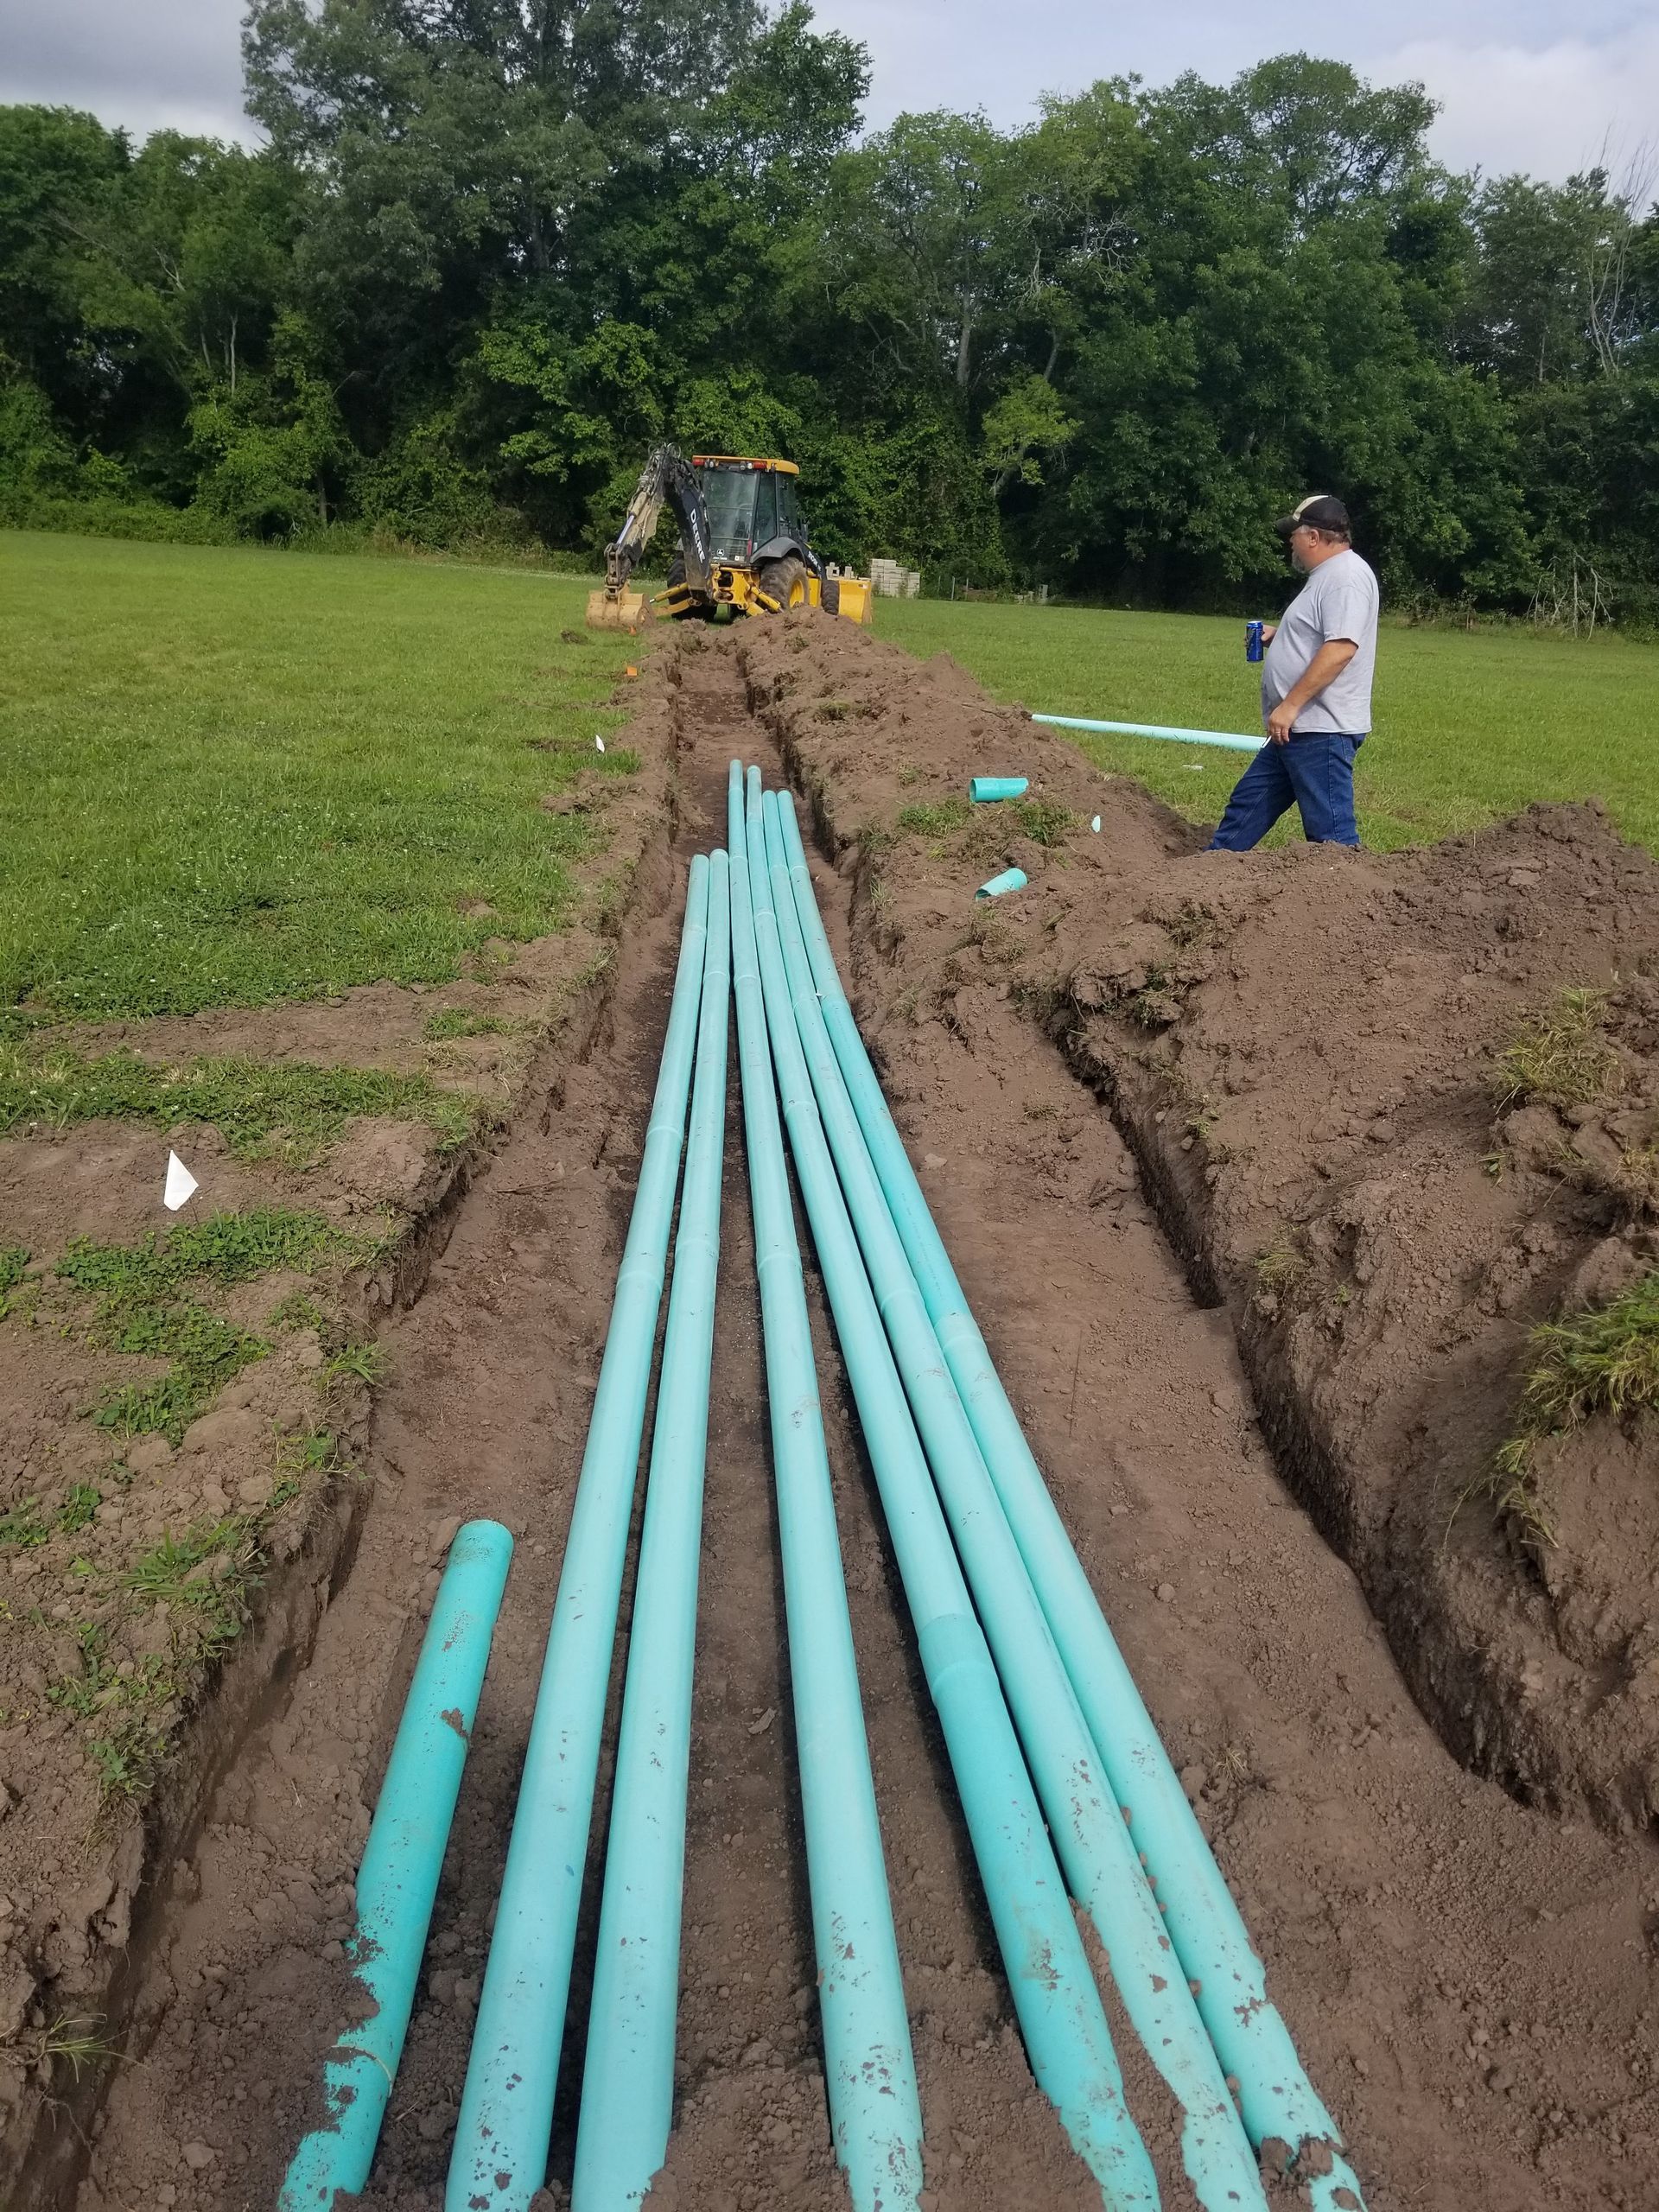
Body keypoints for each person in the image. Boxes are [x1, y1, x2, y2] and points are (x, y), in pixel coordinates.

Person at [1208, 493, 1378, 851]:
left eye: (1294, 534)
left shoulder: (1345, 578)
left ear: (1314, 537)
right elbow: (1322, 637)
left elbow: (1341, 649)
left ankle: (1346, 899)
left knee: (1331, 837)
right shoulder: (1328, 576)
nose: (1290, 541)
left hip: (1319, 728)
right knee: (1246, 807)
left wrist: (1290, 706)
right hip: (1296, 729)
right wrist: (1280, 636)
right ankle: (1207, 873)